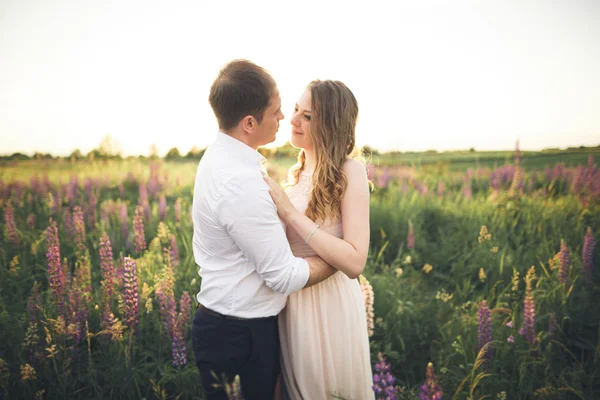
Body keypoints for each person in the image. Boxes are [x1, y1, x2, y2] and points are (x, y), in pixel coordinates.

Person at [191, 60, 337, 400]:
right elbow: (283, 277)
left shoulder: (218, 158)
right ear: (249, 123)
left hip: (228, 325)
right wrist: (337, 257)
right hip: (240, 334)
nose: (284, 118)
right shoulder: (240, 183)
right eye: (277, 111)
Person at [263, 80, 375, 399]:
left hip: (330, 303)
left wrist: (289, 213)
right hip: (293, 302)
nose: (293, 119)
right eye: (296, 109)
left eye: (307, 116)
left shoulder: (349, 171)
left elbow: (355, 261)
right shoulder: (294, 176)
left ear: (330, 124)